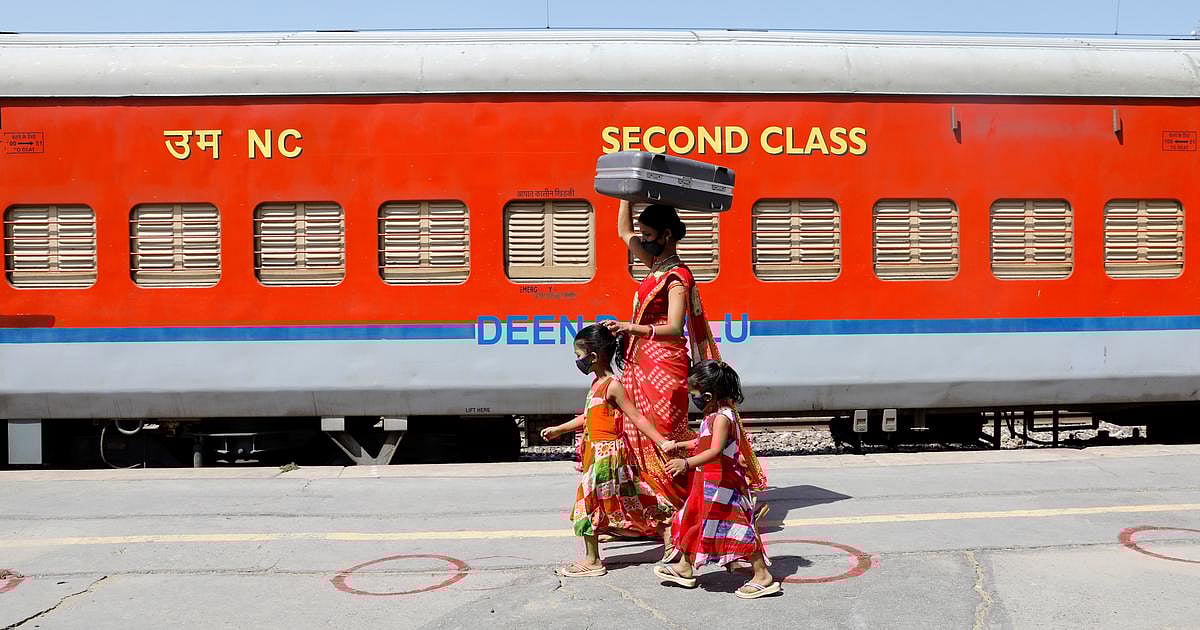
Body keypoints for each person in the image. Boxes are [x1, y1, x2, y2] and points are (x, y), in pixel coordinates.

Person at [602, 201, 768, 523]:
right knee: (640, 436)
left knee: (666, 439)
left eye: (648, 235)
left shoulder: (676, 277)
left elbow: (674, 327)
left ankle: (692, 511)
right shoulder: (654, 264)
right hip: (641, 363)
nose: (642, 239)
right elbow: (624, 232)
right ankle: (661, 513)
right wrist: (626, 195)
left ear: (665, 236)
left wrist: (628, 327)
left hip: (665, 366)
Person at [541, 324, 680, 577]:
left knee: (588, 503)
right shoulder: (597, 384)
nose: (577, 361)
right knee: (635, 496)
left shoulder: (613, 386)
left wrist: (662, 442)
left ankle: (593, 561)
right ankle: (670, 532)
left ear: (593, 357)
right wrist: (560, 429)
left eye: (578, 355)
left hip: (608, 456)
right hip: (598, 453)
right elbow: (589, 416)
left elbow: (637, 417)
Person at [653, 360, 780, 599]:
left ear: (708, 395)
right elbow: (701, 441)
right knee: (694, 521)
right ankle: (685, 567)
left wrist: (686, 463)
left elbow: (715, 450)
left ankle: (763, 576)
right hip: (707, 482)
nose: (693, 398)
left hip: (723, 485)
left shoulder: (723, 417)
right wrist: (678, 445)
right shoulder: (712, 414)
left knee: (737, 528)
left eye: (694, 394)